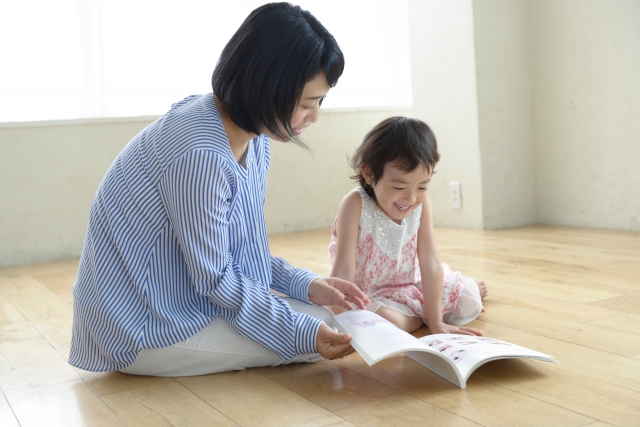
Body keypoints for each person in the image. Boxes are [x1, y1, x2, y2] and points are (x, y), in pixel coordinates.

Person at [69, 3, 370, 377]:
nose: (314, 116)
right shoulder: (201, 153)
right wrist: (301, 331)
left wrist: (305, 284)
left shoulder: (253, 138)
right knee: (331, 331)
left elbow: (240, 252)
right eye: (307, 103)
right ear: (267, 87)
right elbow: (216, 278)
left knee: (329, 317)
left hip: (182, 299)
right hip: (143, 328)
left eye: (320, 102)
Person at [328, 117, 488, 335]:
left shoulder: (421, 205)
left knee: (468, 297)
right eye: (398, 186)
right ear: (369, 174)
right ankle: (419, 315)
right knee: (381, 320)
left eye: (422, 186)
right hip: (369, 293)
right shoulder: (354, 204)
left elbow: (430, 261)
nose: (411, 198)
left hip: (406, 283)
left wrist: (437, 324)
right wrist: (336, 321)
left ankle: (434, 306)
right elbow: (344, 270)